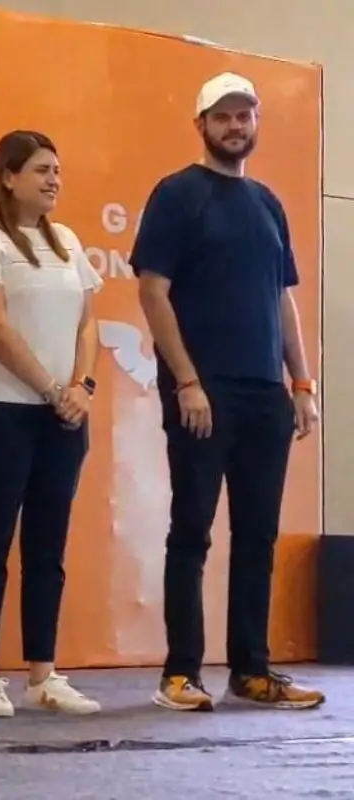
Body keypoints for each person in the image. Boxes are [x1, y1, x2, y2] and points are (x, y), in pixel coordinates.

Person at [131, 72, 325, 712]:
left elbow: (282, 297)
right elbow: (152, 292)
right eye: (224, 117)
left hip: (265, 395)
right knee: (191, 531)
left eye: (245, 116)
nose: (236, 126)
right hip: (202, 392)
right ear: (202, 125)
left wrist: (301, 382)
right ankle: (180, 674)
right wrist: (186, 380)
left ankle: (252, 671)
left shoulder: (268, 203)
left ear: (255, 122)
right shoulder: (178, 195)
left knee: (257, 537)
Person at [0, 130, 103, 718]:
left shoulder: (67, 241)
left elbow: (87, 325)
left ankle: (44, 673)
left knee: (49, 545)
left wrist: (81, 389)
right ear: (9, 176)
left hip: (63, 416)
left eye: (57, 170)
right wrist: (49, 388)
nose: (53, 180)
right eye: (41, 169)